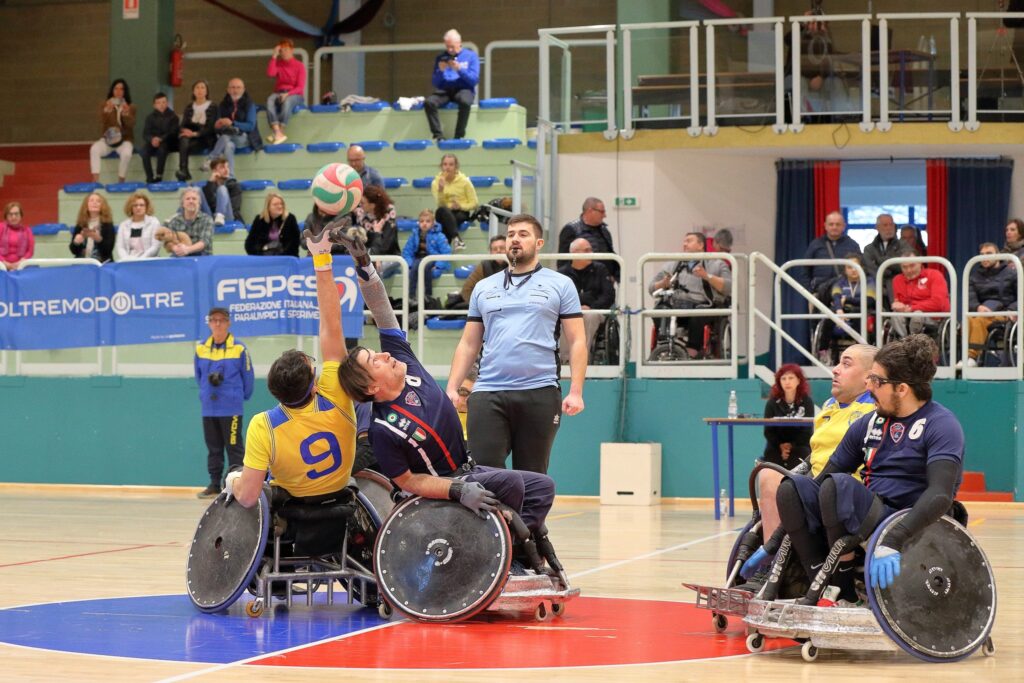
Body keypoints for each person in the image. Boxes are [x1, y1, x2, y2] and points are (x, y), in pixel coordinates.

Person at [325, 225, 558, 551]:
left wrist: (362, 261)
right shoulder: (382, 428)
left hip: (468, 467)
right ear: (372, 385)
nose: (382, 353)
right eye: (373, 360)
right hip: (447, 482)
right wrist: (455, 490)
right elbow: (407, 482)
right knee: (511, 481)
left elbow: (381, 309)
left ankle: (515, 549)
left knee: (542, 486)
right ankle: (505, 554)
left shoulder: (408, 366)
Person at [772, 334, 964, 605]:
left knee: (837, 487)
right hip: (872, 511)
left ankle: (844, 587)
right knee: (794, 488)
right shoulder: (869, 422)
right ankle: (829, 585)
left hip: (910, 518)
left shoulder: (941, 424)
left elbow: (940, 495)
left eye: (877, 381)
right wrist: (776, 538)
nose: (869, 386)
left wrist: (894, 538)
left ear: (902, 389)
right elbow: (821, 479)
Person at [224, 216, 357, 508]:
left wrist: (233, 480)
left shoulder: (264, 425)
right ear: (313, 388)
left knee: (240, 480)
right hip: (339, 502)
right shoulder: (334, 394)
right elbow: (332, 325)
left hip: (293, 515)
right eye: (313, 363)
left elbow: (247, 497)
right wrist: (322, 259)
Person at [447, 214, 587, 473]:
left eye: (523, 234)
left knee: (532, 476)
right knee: (484, 475)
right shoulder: (484, 287)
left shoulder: (560, 284)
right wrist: (453, 386)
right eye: (511, 234)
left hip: (539, 391)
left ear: (539, 243)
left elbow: (577, 340)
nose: (515, 239)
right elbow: (468, 343)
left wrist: (576, 390)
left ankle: (527, 517)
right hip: (488, 391)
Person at [738, 344, 877, 592]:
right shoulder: (830, 406)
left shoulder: (874, 410)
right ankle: (770, 567)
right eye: (837, 362)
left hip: (848, 493)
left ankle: (782, 565)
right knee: (769, 475)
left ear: (869, 378)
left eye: (846, 364)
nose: (834, 369)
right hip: (817, 483)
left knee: (820, 487)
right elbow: (816, 455)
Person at [194, 307, 254, 498]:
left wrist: (236, 397)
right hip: (209, 409)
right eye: (214, 320)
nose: (218, 324)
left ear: (228, 323)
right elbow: (199, 376)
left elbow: (248, 377)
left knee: (234, 448)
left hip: (231, 408)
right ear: (209, 323)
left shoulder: (239, 348)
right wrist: (205, 393)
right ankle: (214, 484)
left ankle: (234, 486)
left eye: (222, 320)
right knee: (213, 448)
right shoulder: (201, 348)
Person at [647, 232, 732, 359]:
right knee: (660, 310)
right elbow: (651, 288)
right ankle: (665, 346)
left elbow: (727, 288)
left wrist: (706, 276)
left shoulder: (717, 263)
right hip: (676, 305)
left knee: (697, 316)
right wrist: (663, 283)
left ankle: (692, 350)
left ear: (701, 245)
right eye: (684, 241)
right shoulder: (672, 264)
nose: (684, 244)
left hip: (701, 305)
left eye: (689, 241)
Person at [558, 237, 615, 362]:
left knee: (589, 316)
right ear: (574, 253)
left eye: (591, 250)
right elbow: (557, 298)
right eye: (587, 250)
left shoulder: (600, 269)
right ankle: (566, 360)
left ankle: (582, 359)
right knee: (564, 319)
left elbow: (608, 295)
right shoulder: (562, 273)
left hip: (594, 310)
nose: (591, 253)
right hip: (570, 311)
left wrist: (591, 307)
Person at [966, 242, 1017, 367]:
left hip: (1004, 313)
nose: (985, 257)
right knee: (969, 320)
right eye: (982, 254)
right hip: (981, 312)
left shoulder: (1012, 274)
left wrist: (1012, 310)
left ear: (998, 255)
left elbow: (1021, 296)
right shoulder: (974, 276)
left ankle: (971, 357)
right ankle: (968, 358)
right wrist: (978, 307)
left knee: (977, 320)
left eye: (989, 253)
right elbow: (970, 298)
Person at [424, 29, 479, 141]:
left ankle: (459, 136)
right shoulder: (441, 58)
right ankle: (438, 136)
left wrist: (459, 69)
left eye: (452, 47)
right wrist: (440, 71)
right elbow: (435, 83)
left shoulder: (471, 56)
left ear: (460, 43)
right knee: (429, 102)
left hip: (464, 89)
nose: (450, 50)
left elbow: (474, 80)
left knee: (465, 102)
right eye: (447, 47)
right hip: (445, 90)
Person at [762, 364, 815, 470]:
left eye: (791, 378)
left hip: (799, 445)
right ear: (779, 382)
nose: (787, 382)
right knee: (771, 458)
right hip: (776, 445)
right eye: (783, 378)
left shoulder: (807, 402)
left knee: (803, 456)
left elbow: (807, 431)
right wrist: (781, 446)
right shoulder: (772, 402)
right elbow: (768, 431)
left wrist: (791, 445)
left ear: (799, 380)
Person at [801, 211, 862, 301]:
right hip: (819, 294)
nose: (834, 227)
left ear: (843, 226)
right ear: (825, 226)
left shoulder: (853, 245)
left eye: (838, 224)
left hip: (846, 294)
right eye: (831, 224)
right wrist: (810, 292)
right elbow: (805, 271)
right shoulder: (815, 244)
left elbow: (860, 269)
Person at [889, 247, 949, 338]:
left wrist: (911, 308)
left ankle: (914, 342)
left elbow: (938, 303)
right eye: (904, 267)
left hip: (932, 317)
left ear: (920, 262)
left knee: (917, 315)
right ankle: (905, 341)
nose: (909, 270)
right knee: (895, 315)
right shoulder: (897, 280)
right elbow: (899, 302)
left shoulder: (935, 275)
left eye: (912, 266)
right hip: (907, 317)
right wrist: (896, 305)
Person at [207, 78, 261, 177]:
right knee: (228, 145)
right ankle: (230, 176)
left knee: (226, 136)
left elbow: (250, 126)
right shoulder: (223, 105)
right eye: (232, 87)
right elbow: (218, 127)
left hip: (245, 138)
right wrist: (217, 125)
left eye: (238, 87)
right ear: (228, 90)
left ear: (243, 90)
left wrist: (232, 123)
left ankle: (211, 159)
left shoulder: (249, 104)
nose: (235, 90)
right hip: (227, 138)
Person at [557, 197, 618, 282]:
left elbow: (610, 253)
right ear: (590, 211)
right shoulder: (571, 229)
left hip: (604, 281)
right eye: (602, 212)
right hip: (581, 282)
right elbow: (563, 260)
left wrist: (615, 276)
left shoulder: (604, 231)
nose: (604, 215)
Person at [89, 79, 136, 183]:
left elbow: (131, 125)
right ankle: (95, 180)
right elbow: (101, 121)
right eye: (116, 88)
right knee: (94, 149)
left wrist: (126, 114)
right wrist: (107, 111)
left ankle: (121, 180)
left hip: (124, 140)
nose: (119, 91)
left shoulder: (131, 107)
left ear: (125, 92)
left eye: (121, 89)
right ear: (112, 90)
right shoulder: (105, 105)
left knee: (127, 153)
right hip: (108, 140)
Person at [431, 153, 478, 251]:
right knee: (442, 210)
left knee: (447, 223)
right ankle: (457, 238)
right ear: (441, 166)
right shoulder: (436, 183)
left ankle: (444, 250)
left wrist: (460, 206)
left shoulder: (465, 182)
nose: (447, 168)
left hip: (460, 212)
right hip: (444, 211)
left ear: (456, 166)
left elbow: (474, 203)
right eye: (445, 164)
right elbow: (440, 204)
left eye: (451, 164)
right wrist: (440, 190)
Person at [402, 209, 451, 302]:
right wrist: (409, 265)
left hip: (432, 259)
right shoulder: (414, 235)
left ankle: (428, 295)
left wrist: (438, 266)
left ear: (433, 223)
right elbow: (407, 251)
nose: (424, 224)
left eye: (428, 221)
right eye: (422, 221)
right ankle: (411, 296)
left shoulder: (439, 236)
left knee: (426, 265)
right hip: (418, 258)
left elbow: (446, 252)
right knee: (415, 266)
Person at [265, 39, 306, 145]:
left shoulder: (299, 65)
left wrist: (288, 94)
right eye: (281, 50)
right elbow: (270, 73)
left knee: (287, 101)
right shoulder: (279, 64)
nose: (284, 52)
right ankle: (276, 130)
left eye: (286, 49)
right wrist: (274, 56)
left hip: (295, 94)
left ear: (292, 50)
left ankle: (281, 131)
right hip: (279, 92)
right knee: (270, 100)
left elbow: (300, 87)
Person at [449, 235, 508, 308]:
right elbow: (466, 290)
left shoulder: (517, 265)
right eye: (495, 249)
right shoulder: (484, 266)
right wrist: (479, 306)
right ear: (490, 252)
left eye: (502, 248)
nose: (498, 251)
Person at [176, 79, 217, 182]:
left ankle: (184, 170)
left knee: (185, 141)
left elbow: (210, 128)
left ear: (207, 91)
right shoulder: (189, 107)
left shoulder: (213, 106)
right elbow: (183, 125)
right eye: (197, 88)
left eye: (202, 88)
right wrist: (185, 131)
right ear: (193, 91)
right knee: (183, 139)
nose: (200, 90)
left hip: (205, 138)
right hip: (191, 138)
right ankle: (184, 170)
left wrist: (194, 133)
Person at [354, 186, 400, 276]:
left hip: (389, 255)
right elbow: (362, 240)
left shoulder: (389, 213)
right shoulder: (361, 212)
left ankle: (377, 290)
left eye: (363, 203)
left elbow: (386, 244)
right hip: (369, 254)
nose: (360, 205)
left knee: (376, 269)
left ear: (372, 205)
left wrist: (377, 257)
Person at [139, 92, 179, 184]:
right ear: (154, 105)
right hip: (152, 142)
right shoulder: (150, 117)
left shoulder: (173, 116)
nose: (161, 105)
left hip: (167, 142)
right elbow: (146, 133)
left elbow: (173, 132)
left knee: (162, 150)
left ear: (167, 103)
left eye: (164, 102)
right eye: (158, 103)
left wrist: (161, 139)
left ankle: (159, 176)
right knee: (144, 152)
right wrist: (152, 139)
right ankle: (149, 177)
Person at [246, 192, 300, 256]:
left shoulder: (290, 219)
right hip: (264, 257)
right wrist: (260, 254)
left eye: (281, 204)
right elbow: (249, 243)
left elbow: (295, 242)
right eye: (275, 204)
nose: (280, 206)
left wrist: (283, 256)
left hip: (285, 257)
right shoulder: (259, 219)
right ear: (268, 207)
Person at [862, 213, 900, 299]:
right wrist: (887, 271)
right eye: (885, 225)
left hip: (898, 286)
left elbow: (903, 265)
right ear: (877, 227)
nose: (889, 228)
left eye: (891, 224)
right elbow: (870, 268)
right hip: (876, 286)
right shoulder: (868, 249)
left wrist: (880, 261)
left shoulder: (903, 245)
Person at [166, 187, 214, 257]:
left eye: (194, 199)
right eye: (188, 199)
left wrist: (188, 249)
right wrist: (175, 248)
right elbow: (168, 242)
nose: (191, 201)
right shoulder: (174, 221)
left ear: (199, 203)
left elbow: (204, 241)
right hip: (180, 256)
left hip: (202, 257)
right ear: (182, 204)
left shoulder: (207, 219)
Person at [69, 193, 115, 263]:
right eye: (91, 200)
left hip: (102, 264)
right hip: (82, 264)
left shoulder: (107, 224)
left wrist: (98, 239)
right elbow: (73, 251)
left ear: (102, 206)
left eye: (98, 201)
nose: (95, 203)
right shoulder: (81, 224)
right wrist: (76, 242)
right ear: (86, 205)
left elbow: (108, 250)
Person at [114, 192, 161, 260]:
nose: (138, 208)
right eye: (135, 205)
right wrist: (126, 259)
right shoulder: (123, 225)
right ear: (131, 207)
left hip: (148, 261)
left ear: (146, 207)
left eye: (141, 205)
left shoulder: (154, 222)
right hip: (128, 262)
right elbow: (120, 247)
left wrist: (141, 259)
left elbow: (155, 246)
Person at [200, 156, 241, 226]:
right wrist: (211, 182)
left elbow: (235, 208)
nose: (226, 170)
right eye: (222, 167)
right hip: (211, 218)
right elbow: (209, 206)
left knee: (222, 189)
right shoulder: (208, 187)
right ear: (214, 171)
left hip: (228, 217)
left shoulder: (234, 186)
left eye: (227, 167)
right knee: (196, 191)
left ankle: (219, 215)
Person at [0, 202, 34, 270]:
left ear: (21, 215)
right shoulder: (1, 227)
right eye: (10, 214)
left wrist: (20, 263)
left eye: (16, 214)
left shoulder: (27, 230)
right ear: (6, 216)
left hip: (21, 266)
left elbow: (30, 251)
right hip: (1, 265)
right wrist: (5, 263)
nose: (13, 217)